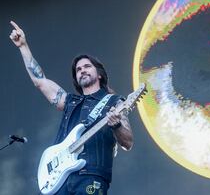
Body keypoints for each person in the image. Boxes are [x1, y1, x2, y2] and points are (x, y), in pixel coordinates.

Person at [9, 21, 133, 195]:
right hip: (59, 180)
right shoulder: (69, 101)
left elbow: (127, 142)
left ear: (99, 74)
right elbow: (40, 81)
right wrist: (23, 46)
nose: (82, 70)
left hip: (90, 177)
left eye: (87, 66)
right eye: (78, 69)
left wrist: (116, 125)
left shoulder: (114, 102)